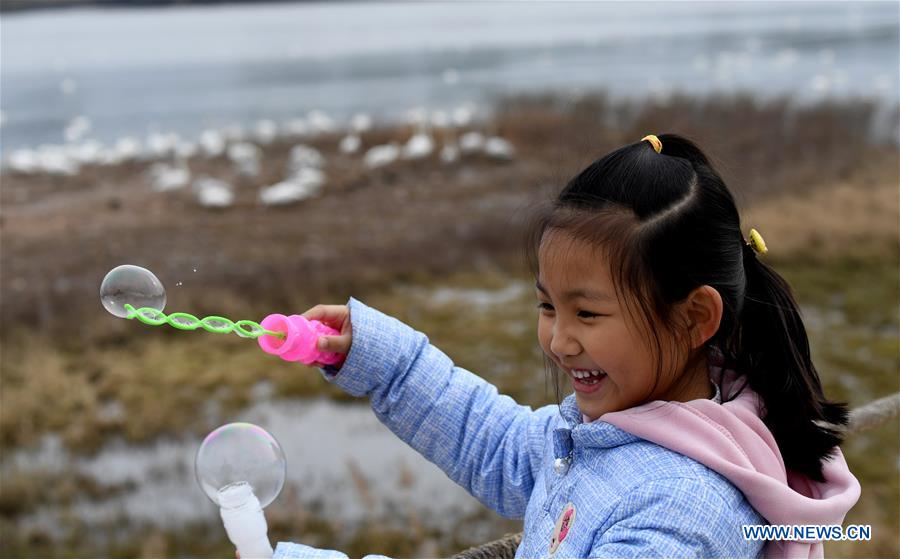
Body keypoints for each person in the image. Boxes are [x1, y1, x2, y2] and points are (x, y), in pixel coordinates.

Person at [266, 134, 860, 559]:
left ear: (694, 317)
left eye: (588, 313)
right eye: (547, 305)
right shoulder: (626, 426)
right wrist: (381, 359)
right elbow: (492, 441)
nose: (558, 340)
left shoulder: (680, 510)